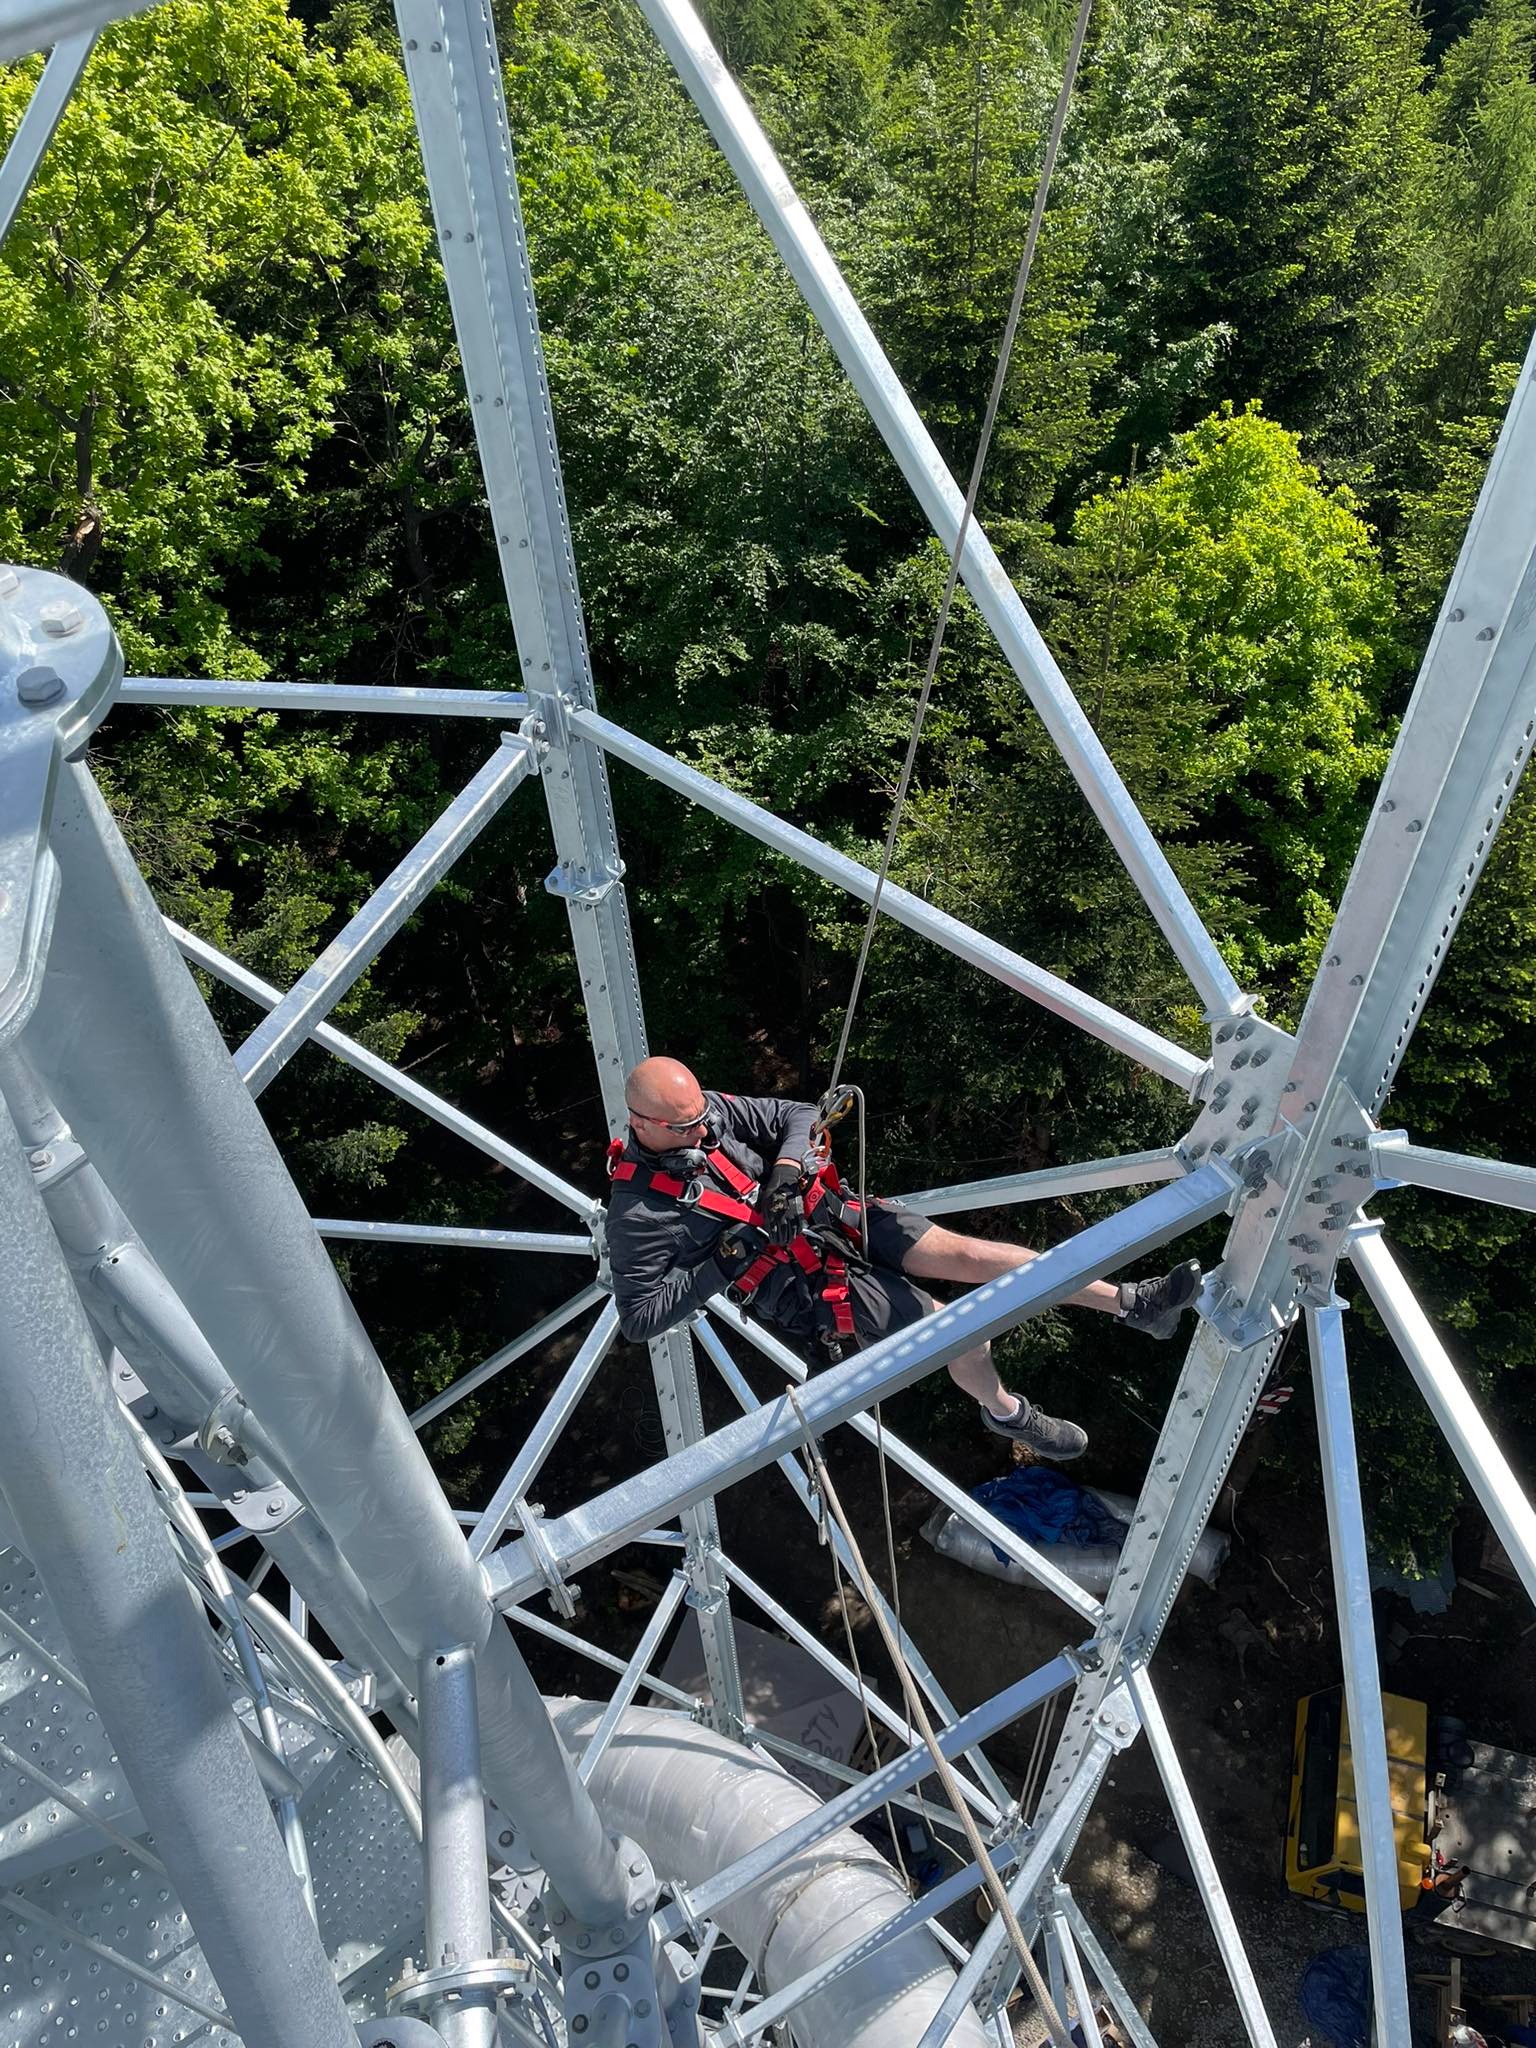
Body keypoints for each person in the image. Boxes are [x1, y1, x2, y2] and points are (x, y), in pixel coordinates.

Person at [605, 1056, 1203, 1461]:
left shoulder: (706, 1114)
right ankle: (1009, 1414)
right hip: (810, 1285)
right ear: (645, 1125)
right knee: (965, 1336)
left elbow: (798, 1115)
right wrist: (723, 1263)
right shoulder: (637, 1217)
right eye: (688, 1128)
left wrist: (785, 1176)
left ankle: (1133, 1305)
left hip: (834, 1216)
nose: (706, 1132)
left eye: (704, 1119)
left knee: (979, 1255)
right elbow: (638, 1318)